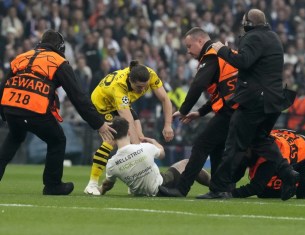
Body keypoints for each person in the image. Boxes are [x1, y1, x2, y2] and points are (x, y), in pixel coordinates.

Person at [199, 8, 299, 200]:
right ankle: (287, 172)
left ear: (248, 24)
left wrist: (222, 50)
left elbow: (243, 61)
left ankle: (219, 188)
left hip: (255, 101)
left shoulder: (253, 37)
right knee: (260, 140)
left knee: (234, 144)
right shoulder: (274, 37)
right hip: (274, 101)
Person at [0, 29, 115, 195]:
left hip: (11, 108)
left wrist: (4, 113)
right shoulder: (59, 62)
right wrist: (99, 124)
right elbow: (78, 97)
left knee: (14, 137)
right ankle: (52, 185)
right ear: (60, 47)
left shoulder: (21, 57)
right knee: (57, 140)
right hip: (35, 109)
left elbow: (3, 86)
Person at [158, 27, 238, 197]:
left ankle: (181, 188)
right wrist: (200, 112)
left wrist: (184, 109)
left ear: (200, 41)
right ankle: (221, 189)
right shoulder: (223, 53)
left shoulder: (210, 53)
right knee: (217, 148)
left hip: (230, 110)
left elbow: (198, 85)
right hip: (236, 109)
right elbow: (220, 92)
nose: (188, 51)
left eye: (189, 46)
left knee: (201, 145)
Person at [84, 60, 174, 195]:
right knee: (112, 140)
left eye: (145, 87)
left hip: (122, 104)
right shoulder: (119, 87)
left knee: (140, 136)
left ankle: (134, 184)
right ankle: (92, 184)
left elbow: (165, 99)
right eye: (139, 87)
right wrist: (138, 151)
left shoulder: (149, 74)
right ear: (130, 81)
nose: (143, 90)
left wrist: (168, 125)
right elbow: (128, 120)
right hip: (102, 107)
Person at [99, 116, 210, 196]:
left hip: (140, 193)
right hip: (163, 186)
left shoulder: (112, 163)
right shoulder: (144, 147)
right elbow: (162, 154)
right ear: (129, 132)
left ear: (112, 136)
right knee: (187, 163)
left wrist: (100, 190)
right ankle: (217, 186)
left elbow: (107, 185)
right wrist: (154, 141)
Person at [232, 129, 305, 199]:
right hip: (287, 147)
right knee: (266, 193)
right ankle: (290, 182)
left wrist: (231, 194)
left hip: (304, 155)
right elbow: (237, 170)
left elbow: (256, 187)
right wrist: (222, 187)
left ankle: (292, 182)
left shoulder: (270, 156)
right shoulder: (253, 146)